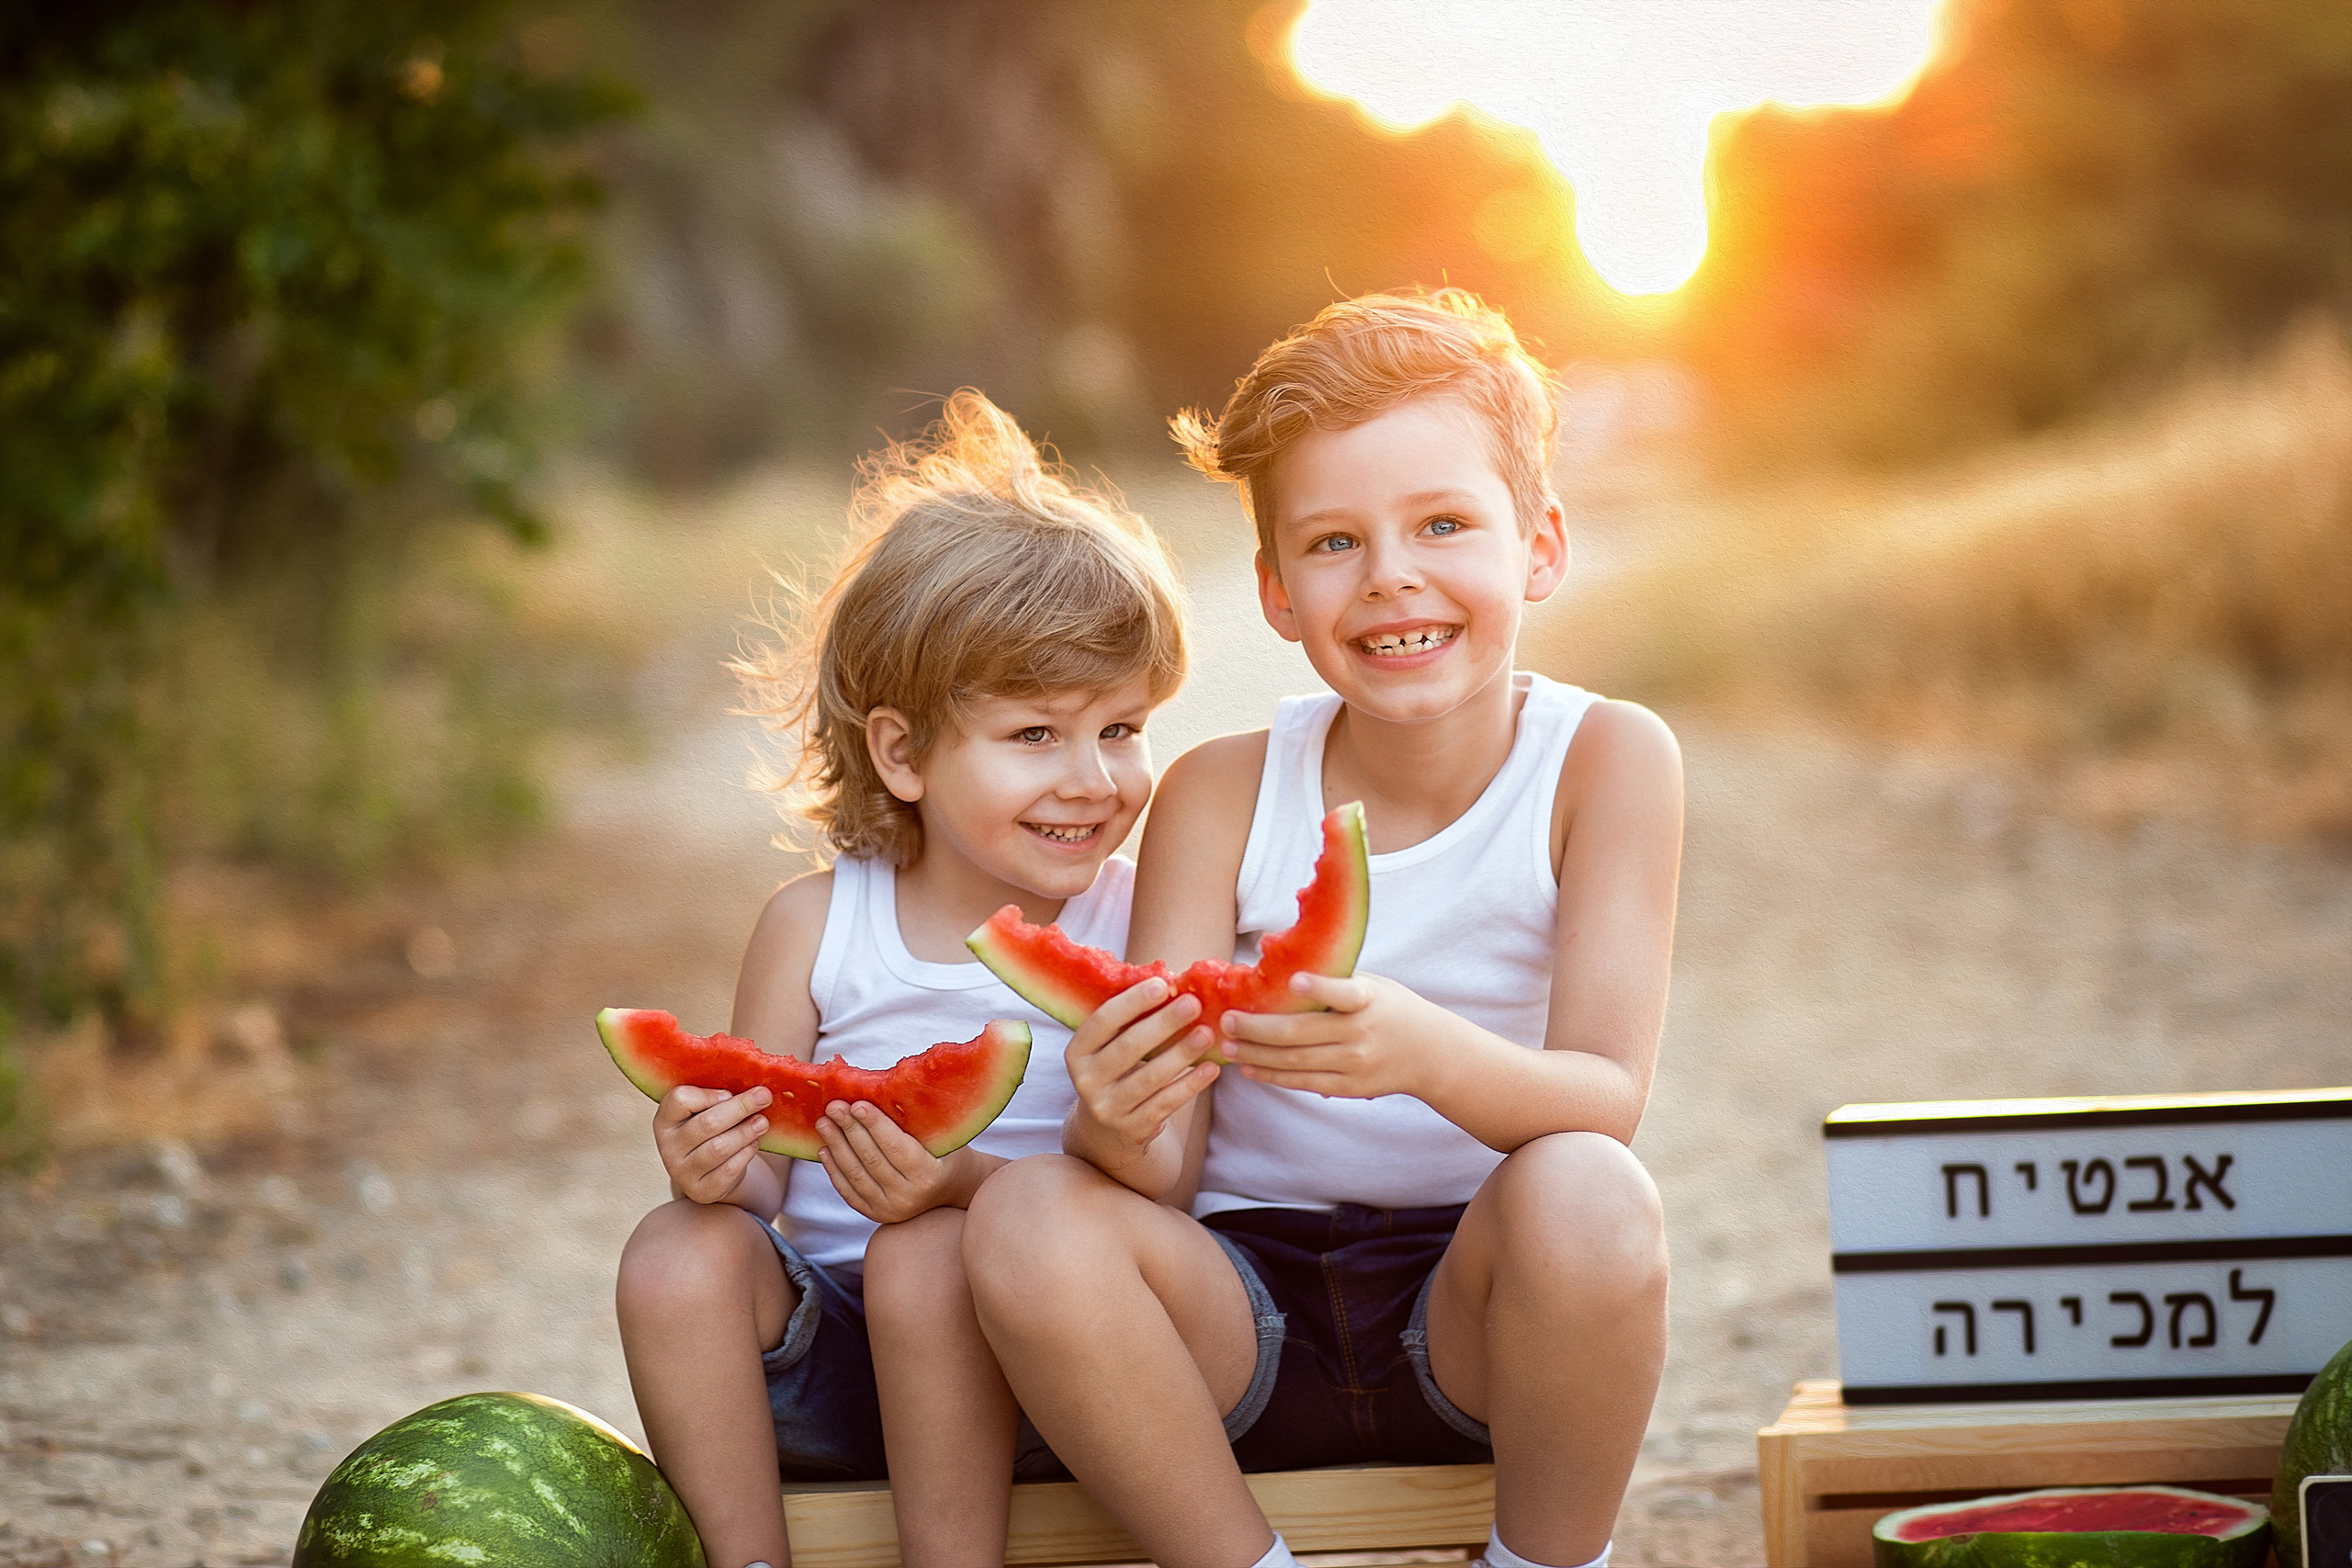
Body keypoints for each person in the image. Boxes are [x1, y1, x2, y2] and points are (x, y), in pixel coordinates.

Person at [963, 290, 1684, 1568]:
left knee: (1594, 1189)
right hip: (1237, 1318)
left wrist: (1422, 1051)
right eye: (1335, 541)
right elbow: (1163, 1171)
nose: (1393, 573)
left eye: (1444, 524)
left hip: (1476, 1311)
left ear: (1541, 547)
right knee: (1024, 1216)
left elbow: (1605, 1094)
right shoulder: (1224, 789)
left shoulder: (1605, 760)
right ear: (1278, 591)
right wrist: (1116, 1107)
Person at [613, 389, 1188, 1568]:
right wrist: (711, 1163)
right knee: (672, 1251)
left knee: (923, 1255)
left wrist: (960, 1180)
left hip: (1053, 1371)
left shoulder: (1142, 918)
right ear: (901, 752)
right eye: (1035, 736)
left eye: (1123, 730)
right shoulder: (816, 926)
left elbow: (1163, 1194)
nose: (1095, 778)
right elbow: (761, 1190)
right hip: (829, 1372)